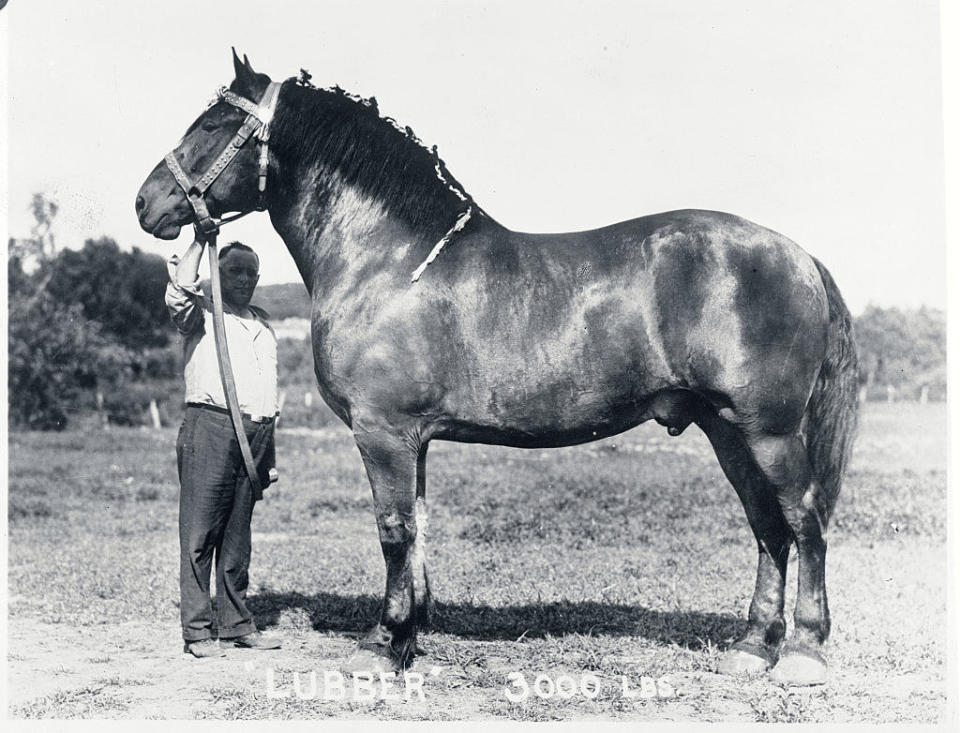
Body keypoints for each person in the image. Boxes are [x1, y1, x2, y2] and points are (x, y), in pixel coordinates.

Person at [165, 231, 281, 657]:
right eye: (235, 271)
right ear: (215, 274)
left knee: (237, 538)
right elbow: (180, 290)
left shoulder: (262, 321)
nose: (245, 279)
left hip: (256, 433)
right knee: (200, 533)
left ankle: (235, 624)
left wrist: (269, 454)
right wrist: (199, 241)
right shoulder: (201, 313)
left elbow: (267, 392)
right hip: (211, 427)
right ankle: (197, 631)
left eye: (252, 273)